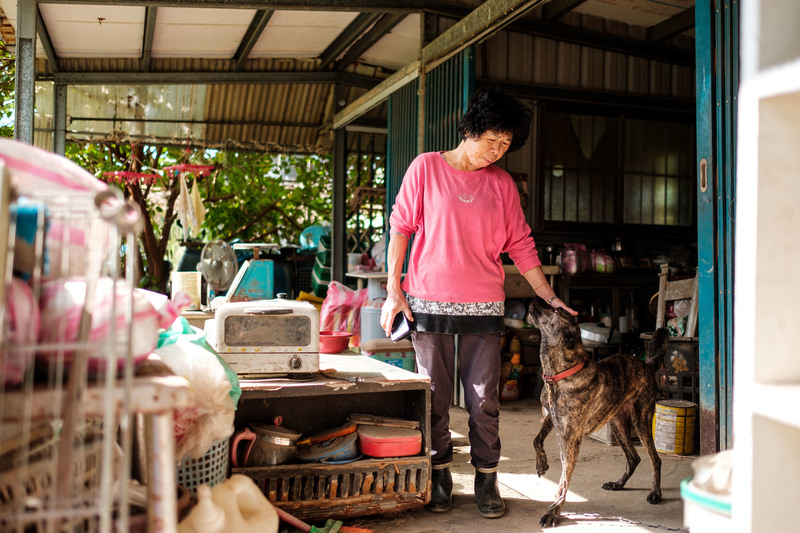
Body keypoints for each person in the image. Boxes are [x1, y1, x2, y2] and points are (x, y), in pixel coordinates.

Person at [380, 86, 577, 519]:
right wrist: (394, 287)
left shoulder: (502, 185)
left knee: (484, 398)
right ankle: (441, 473)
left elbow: (521, 245)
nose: (496, 151)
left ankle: (487, 477)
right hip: (428, 301)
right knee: (433, 395)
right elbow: (400, 228)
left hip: (484, 307)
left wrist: (547, 294)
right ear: (470, 129)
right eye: (492, 140)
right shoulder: (426, 169)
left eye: (505, 145)